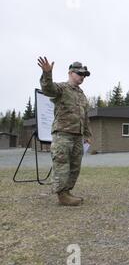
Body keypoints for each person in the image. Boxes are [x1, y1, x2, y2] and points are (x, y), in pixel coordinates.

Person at [37, 57, 92, 207]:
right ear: (70, 73)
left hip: (77, 135)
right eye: (79, 74)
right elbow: (48, 89)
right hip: (63, 134)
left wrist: (87, 135)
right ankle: (61, 195)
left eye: (84, 75)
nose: (82, 77)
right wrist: (47, 73)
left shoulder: (81, 95)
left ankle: (67, 191)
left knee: (75, 166)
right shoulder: (61, 88)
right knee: (62, 164)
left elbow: (85, 117)